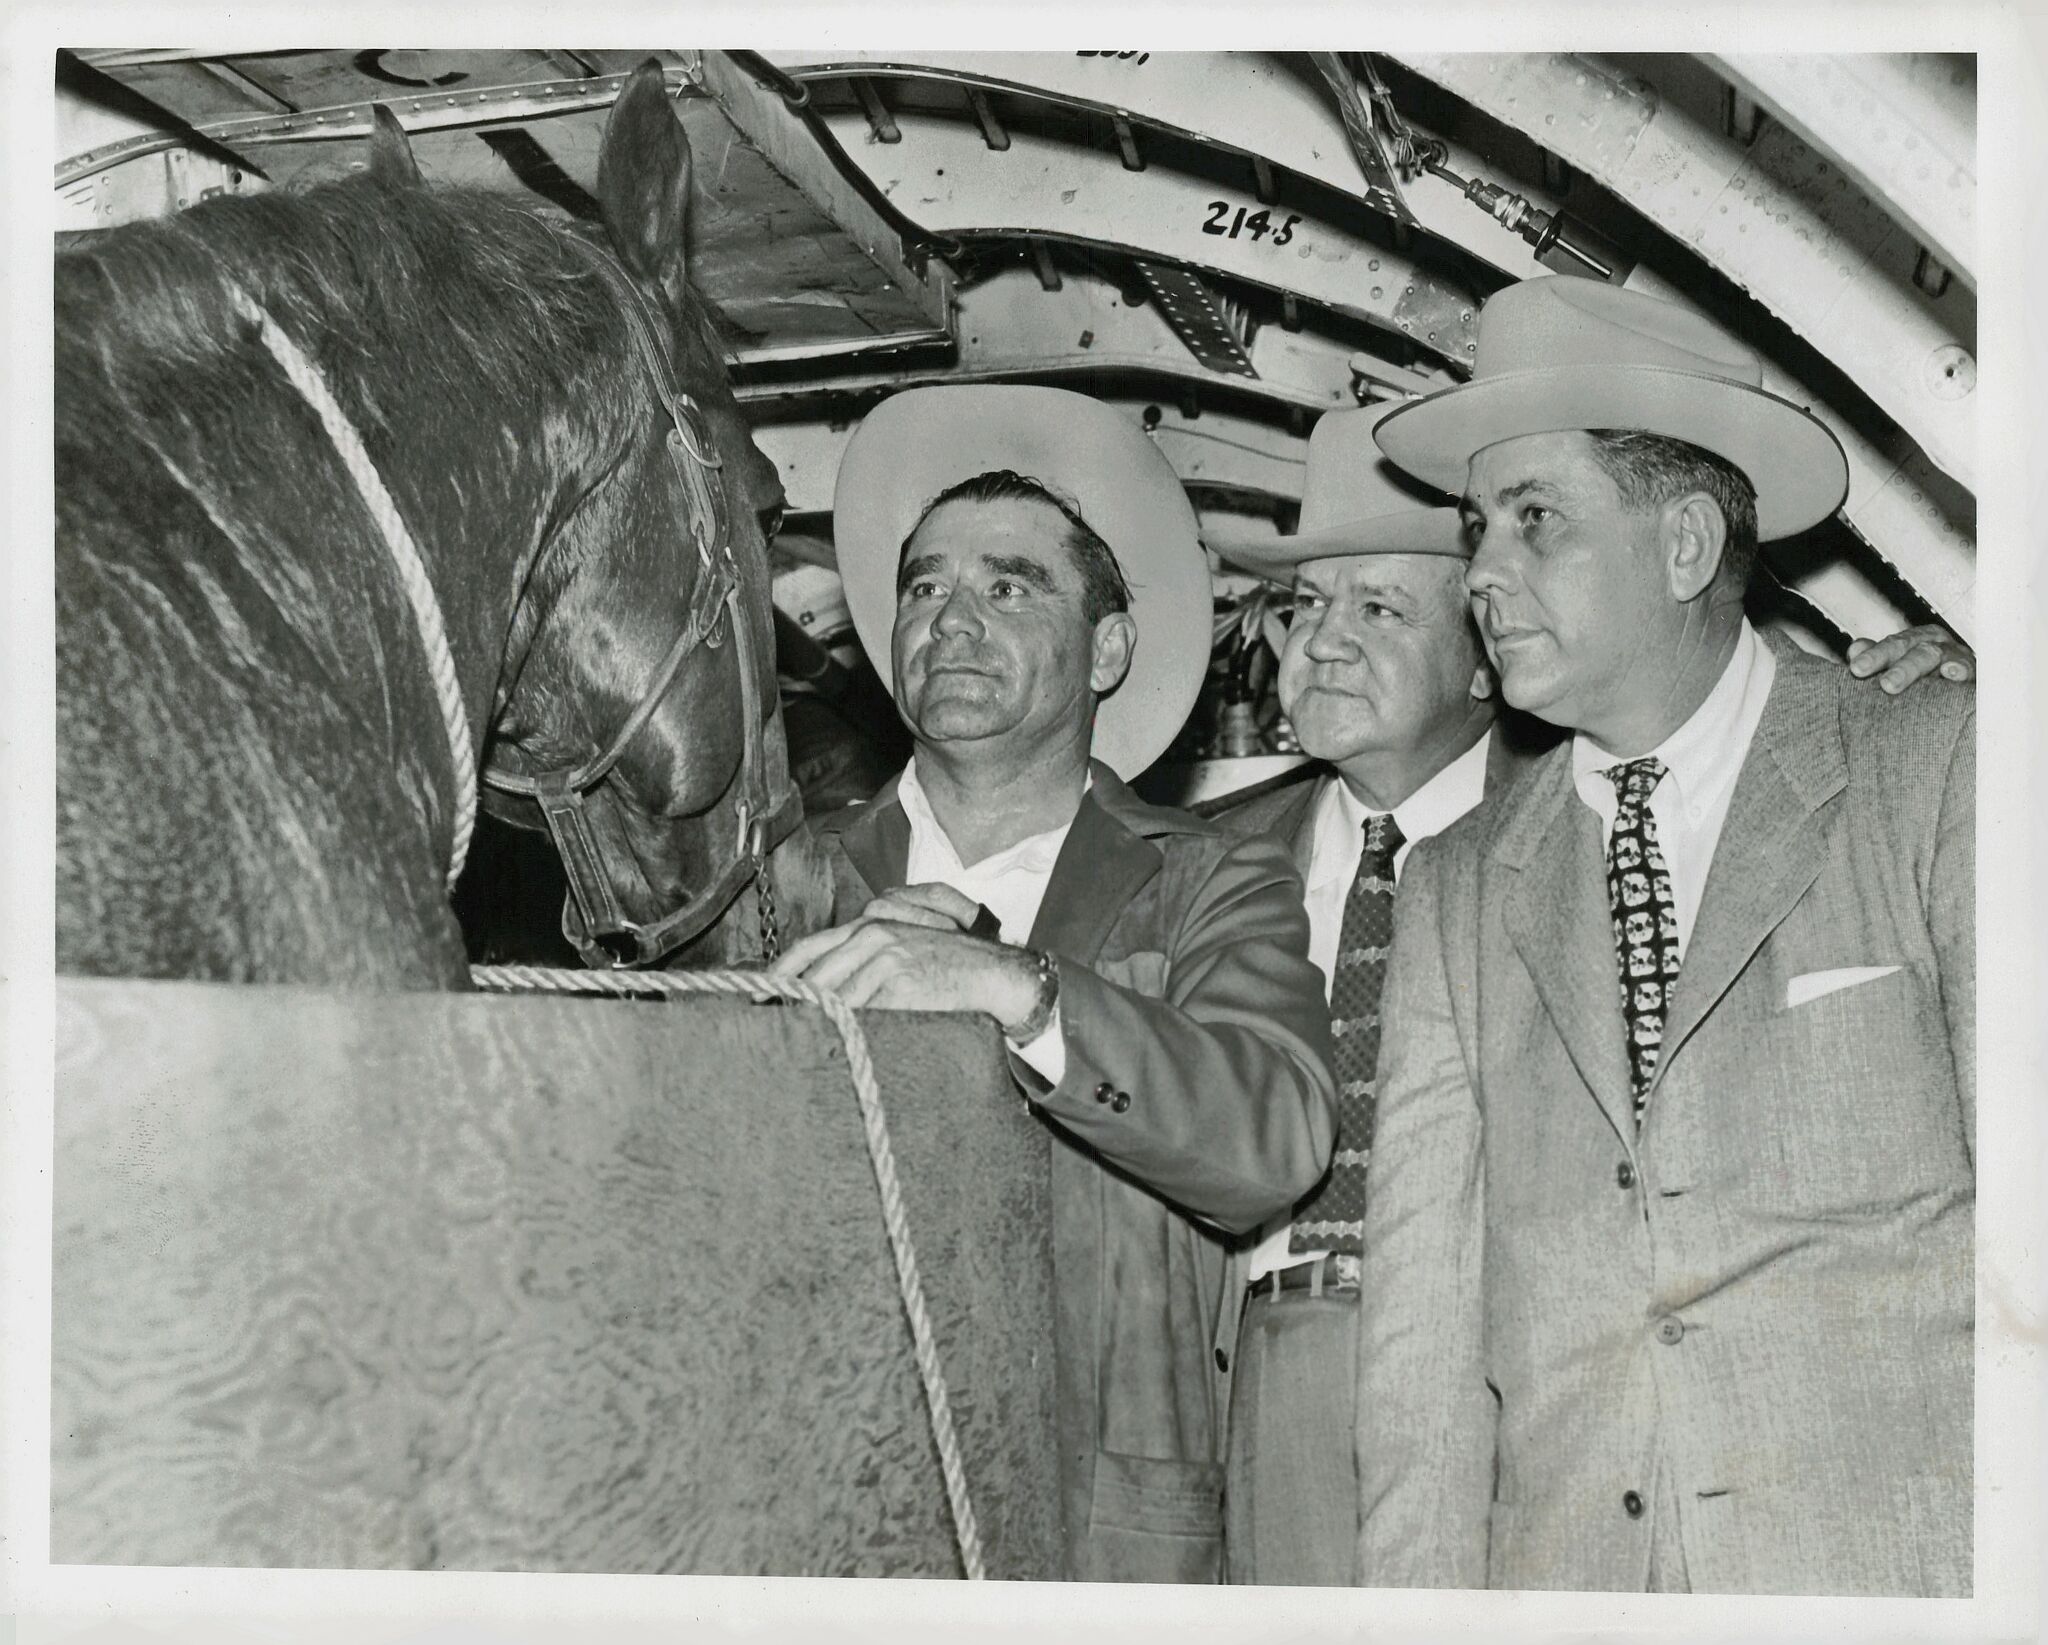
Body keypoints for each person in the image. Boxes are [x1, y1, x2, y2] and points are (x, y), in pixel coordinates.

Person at [1207, 404, 1968, 1587]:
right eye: (1474, 530)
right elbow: (1422, 1353)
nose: (1482, 574)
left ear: (1682, 545)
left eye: (1533, 523)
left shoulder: (1933, 763)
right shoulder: (1457, 886)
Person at [769, 383, 1338, 1584]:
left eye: (1007, 585)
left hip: (1097, 1537)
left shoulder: (1205, 883)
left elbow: (1271, 1143)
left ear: (1109, 650)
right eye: (922, 586)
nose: (949, 620)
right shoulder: (785, 881)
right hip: (814, 1512)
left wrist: (1017, 989)